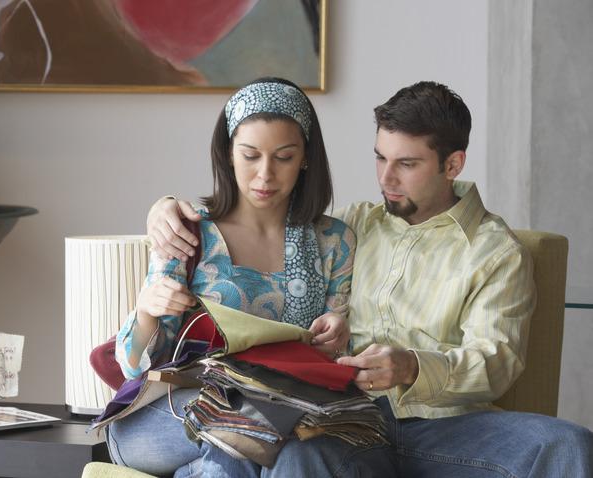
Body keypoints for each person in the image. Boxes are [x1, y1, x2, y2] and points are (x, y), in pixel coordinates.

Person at [147, 81, 593, 477]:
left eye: (407, 164)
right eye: (380, 157)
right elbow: (264, 219)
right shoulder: (351, 226)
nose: (386, 177)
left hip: (447, 428)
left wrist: (413, 366)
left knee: (567, 443)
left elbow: (497, 362)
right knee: (300, 454)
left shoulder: (496, 252)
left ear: (453, 164)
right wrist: (164, 207)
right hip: (348, 421)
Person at [108, 78, 397, 477]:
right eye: (249, 155)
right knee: (243, 431)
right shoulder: (188, 230)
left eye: (283, 157)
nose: (265, 174)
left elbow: (329, 368)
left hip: (280, 418)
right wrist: (146, 312)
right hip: (170, 418)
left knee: (238, 451)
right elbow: (132, 366)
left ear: (305, 159)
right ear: (228, 153)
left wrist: (337, 334)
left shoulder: (334, 242)